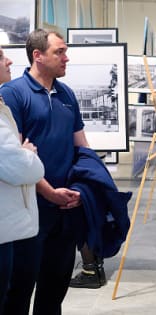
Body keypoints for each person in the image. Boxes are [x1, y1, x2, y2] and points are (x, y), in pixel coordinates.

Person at [0, 29, 89, 315]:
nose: (67, 57)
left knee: (54, 290)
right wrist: (50, 192)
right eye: (59, 52)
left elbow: (81, 145)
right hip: (30, 212)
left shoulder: (67, 94)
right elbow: (16, 157)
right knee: (19, 290)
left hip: (65, 208)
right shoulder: (13, 94)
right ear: (37, 56)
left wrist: (83, 187)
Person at [0, 48, 44, 314]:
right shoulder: (14, 95)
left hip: (11, 225)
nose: (10, 60)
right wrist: (29, 156)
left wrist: (22, 154)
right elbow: (17, 165)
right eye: (1, 56)